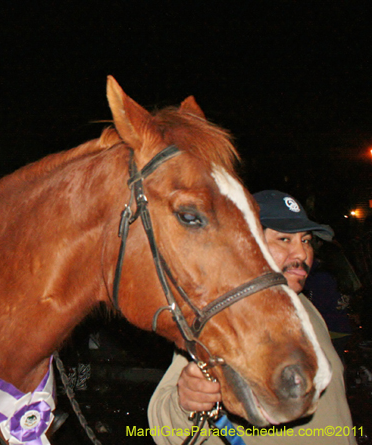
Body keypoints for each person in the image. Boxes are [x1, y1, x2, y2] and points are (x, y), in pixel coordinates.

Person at [148, 190, 356, 444]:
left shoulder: (306, 308)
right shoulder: (223, 318)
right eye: (284, 239)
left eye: (306, 240)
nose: (302, 254)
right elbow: (164, 426)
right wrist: (187, 401)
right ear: (247, 243)